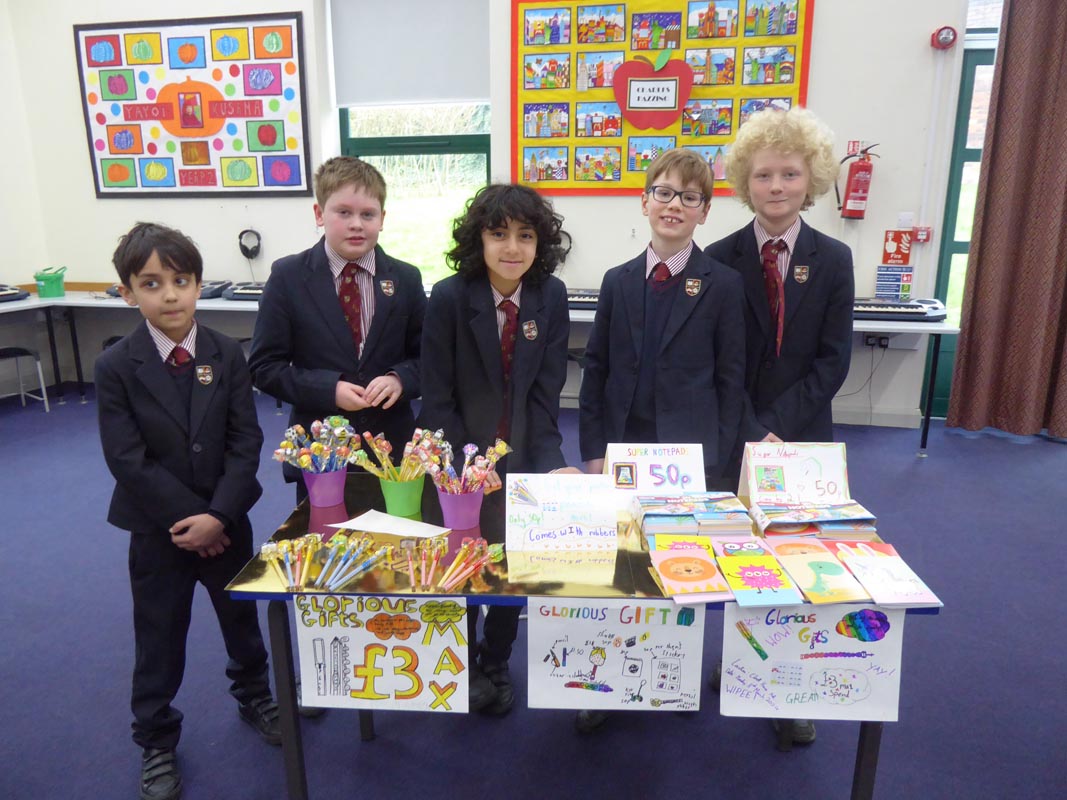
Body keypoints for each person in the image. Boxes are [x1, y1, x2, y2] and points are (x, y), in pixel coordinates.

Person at [95, 223, 279, 800]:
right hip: (159, 532)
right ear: (128, 292)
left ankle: (255, 696)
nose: (170, 294)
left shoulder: (226, 353)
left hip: (227, 522)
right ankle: (155, 739)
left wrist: (219, 517)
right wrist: (190, 522)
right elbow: (127, 459)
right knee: (159, 633)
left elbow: (244, 443)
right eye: (152, 283)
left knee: (241, 621)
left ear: (199, 284)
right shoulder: (116, 366)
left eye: (181, 280)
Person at [577, 148, 746, 732]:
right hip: (623, 451)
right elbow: (595, 371)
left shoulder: (723, 285)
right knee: (622, 563)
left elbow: (731, 378)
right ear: (644, 200)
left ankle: (668, 674)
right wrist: (593, 450)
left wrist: (720, 465)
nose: (675, 205)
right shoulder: (618, 281)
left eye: (690, 197)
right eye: (665, 193)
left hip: (687, 458)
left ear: (705, 212)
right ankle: (610, 680)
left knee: (681, 565)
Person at [704, 106, 855, 745]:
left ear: (811, 179)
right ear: (745, 182)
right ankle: (742, 659)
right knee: (737, 555)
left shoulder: (836, 257)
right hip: (733, 433)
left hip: (801, 440)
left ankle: (788, 682)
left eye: (789, 174)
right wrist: (749, 430)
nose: (776, 187)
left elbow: (833, 360)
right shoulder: (716, 258)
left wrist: (777, 429)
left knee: (796, 560)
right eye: (763, 175)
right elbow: (715, 361)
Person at [420, 183, 581, 716]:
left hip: (524, 457)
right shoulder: (448, 297)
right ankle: (461, 659)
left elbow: (545, 394)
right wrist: (467, 466)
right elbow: (438, 398)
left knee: (513, 567)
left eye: (526, 235)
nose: (512, 247)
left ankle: (496, 660)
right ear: (479, 239)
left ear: (541, 243)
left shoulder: (549, 297)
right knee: (465, 564)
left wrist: (551, 461)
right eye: (498, 234)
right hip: (461, 463)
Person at [248, 156, 426, 501]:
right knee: (325, 542)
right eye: (343, 212)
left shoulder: (405, 278)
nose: (356, 224)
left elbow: (430, 358)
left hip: (393, 454)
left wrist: (400, 378)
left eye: (368, 214)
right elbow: (264, 368)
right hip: (320, 453)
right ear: (319, 214)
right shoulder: (288, 277)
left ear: (382, 219)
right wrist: (329, 389)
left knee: (396, 544)